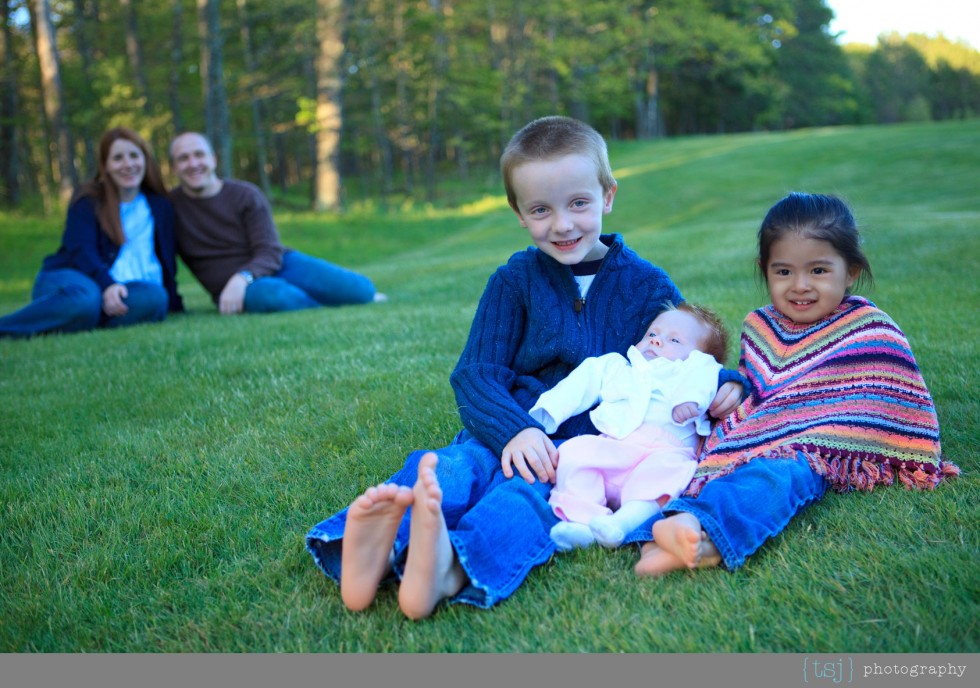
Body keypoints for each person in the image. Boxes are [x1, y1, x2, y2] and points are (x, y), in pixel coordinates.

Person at [306, 116, 745, 620]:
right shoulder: (515, 281)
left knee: (526, 500)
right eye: (541, 209)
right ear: (519, 212)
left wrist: (726, 382)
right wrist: (513, 430)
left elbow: (691, 350)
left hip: (581, 447)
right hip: (509, 422)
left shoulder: (645, 284)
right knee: (451, 468)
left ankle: (448, 566)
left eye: (578, 203)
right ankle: (374, 549)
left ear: (607, 195)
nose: (562, 224)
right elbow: (475, 372)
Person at [634, 192, 960, 577]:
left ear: (850, 270)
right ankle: (672, 533)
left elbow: (889, 401)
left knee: (779, 477)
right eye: (784, 271)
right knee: (706, 467)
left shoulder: (870, 328)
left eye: (819, 271)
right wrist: (731, 394)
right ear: (764, 269)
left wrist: (810, 435)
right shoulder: (761, 326)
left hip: (817, 449)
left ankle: (696, 531)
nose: (800, 285)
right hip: (755, 439)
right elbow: (757, 393)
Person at [529, 303, 729, 551]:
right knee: (574, 452)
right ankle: (585, 521)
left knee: (669, 472)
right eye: (652, 334)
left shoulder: (693, 369)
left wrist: (692, 400)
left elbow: (707, 375)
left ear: (698, 355)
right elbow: (584, 381)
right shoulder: (617, 368)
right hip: (615, 445)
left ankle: (622, 524)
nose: (656, 341)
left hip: (665, 451)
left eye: (674, 340)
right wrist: (546, 412)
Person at [168, 132, 385, 314]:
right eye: (183, 158)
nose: (193, 163)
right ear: (175, 168)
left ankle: (328, 295)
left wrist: (241, 277)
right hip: (243, 289)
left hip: (279, 265)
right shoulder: (168, 208)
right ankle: (314, 306)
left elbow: (269, 250)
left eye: (199, 155)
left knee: (361, 290)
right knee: (274, 295)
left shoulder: (245, 194)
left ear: (213, 159)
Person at [0, 128, 183, 338]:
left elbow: (167, 259)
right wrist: (107, 285)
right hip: (72, 278)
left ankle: (78, 318)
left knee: (155, 298)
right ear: (105, 165)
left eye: (134, 155)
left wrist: (174, 302)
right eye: (118, 158)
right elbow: (80, 249)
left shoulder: (160, 206)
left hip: (124, 290)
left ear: (145, 160)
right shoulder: (88, 199)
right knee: (86, 299)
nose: (128, 164)